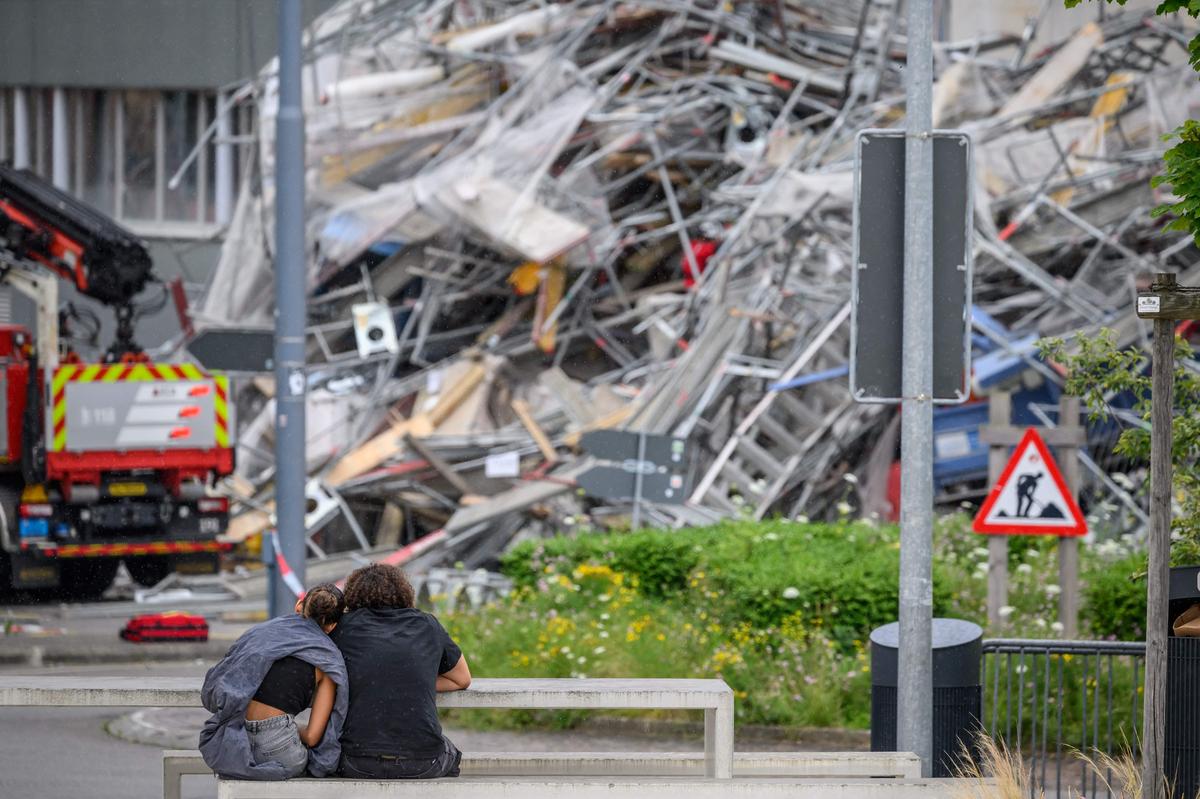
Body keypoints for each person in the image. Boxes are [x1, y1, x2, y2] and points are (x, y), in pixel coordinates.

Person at [332, 563, 471, 780]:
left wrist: (382, 678)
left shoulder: (343, 627)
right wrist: (412, 679)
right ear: (404, 591)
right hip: (423, 762)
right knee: (450, 753)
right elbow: (462, 679)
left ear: (353, 594)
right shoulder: (427, 625)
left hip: (356, 760)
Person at [199, 584, 349, 780]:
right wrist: (288, 727)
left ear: (298, 606)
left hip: (235, 738)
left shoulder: (261, 634)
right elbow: (312, 737)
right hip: (281, 750)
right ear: (332, 626)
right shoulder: (328, 661)